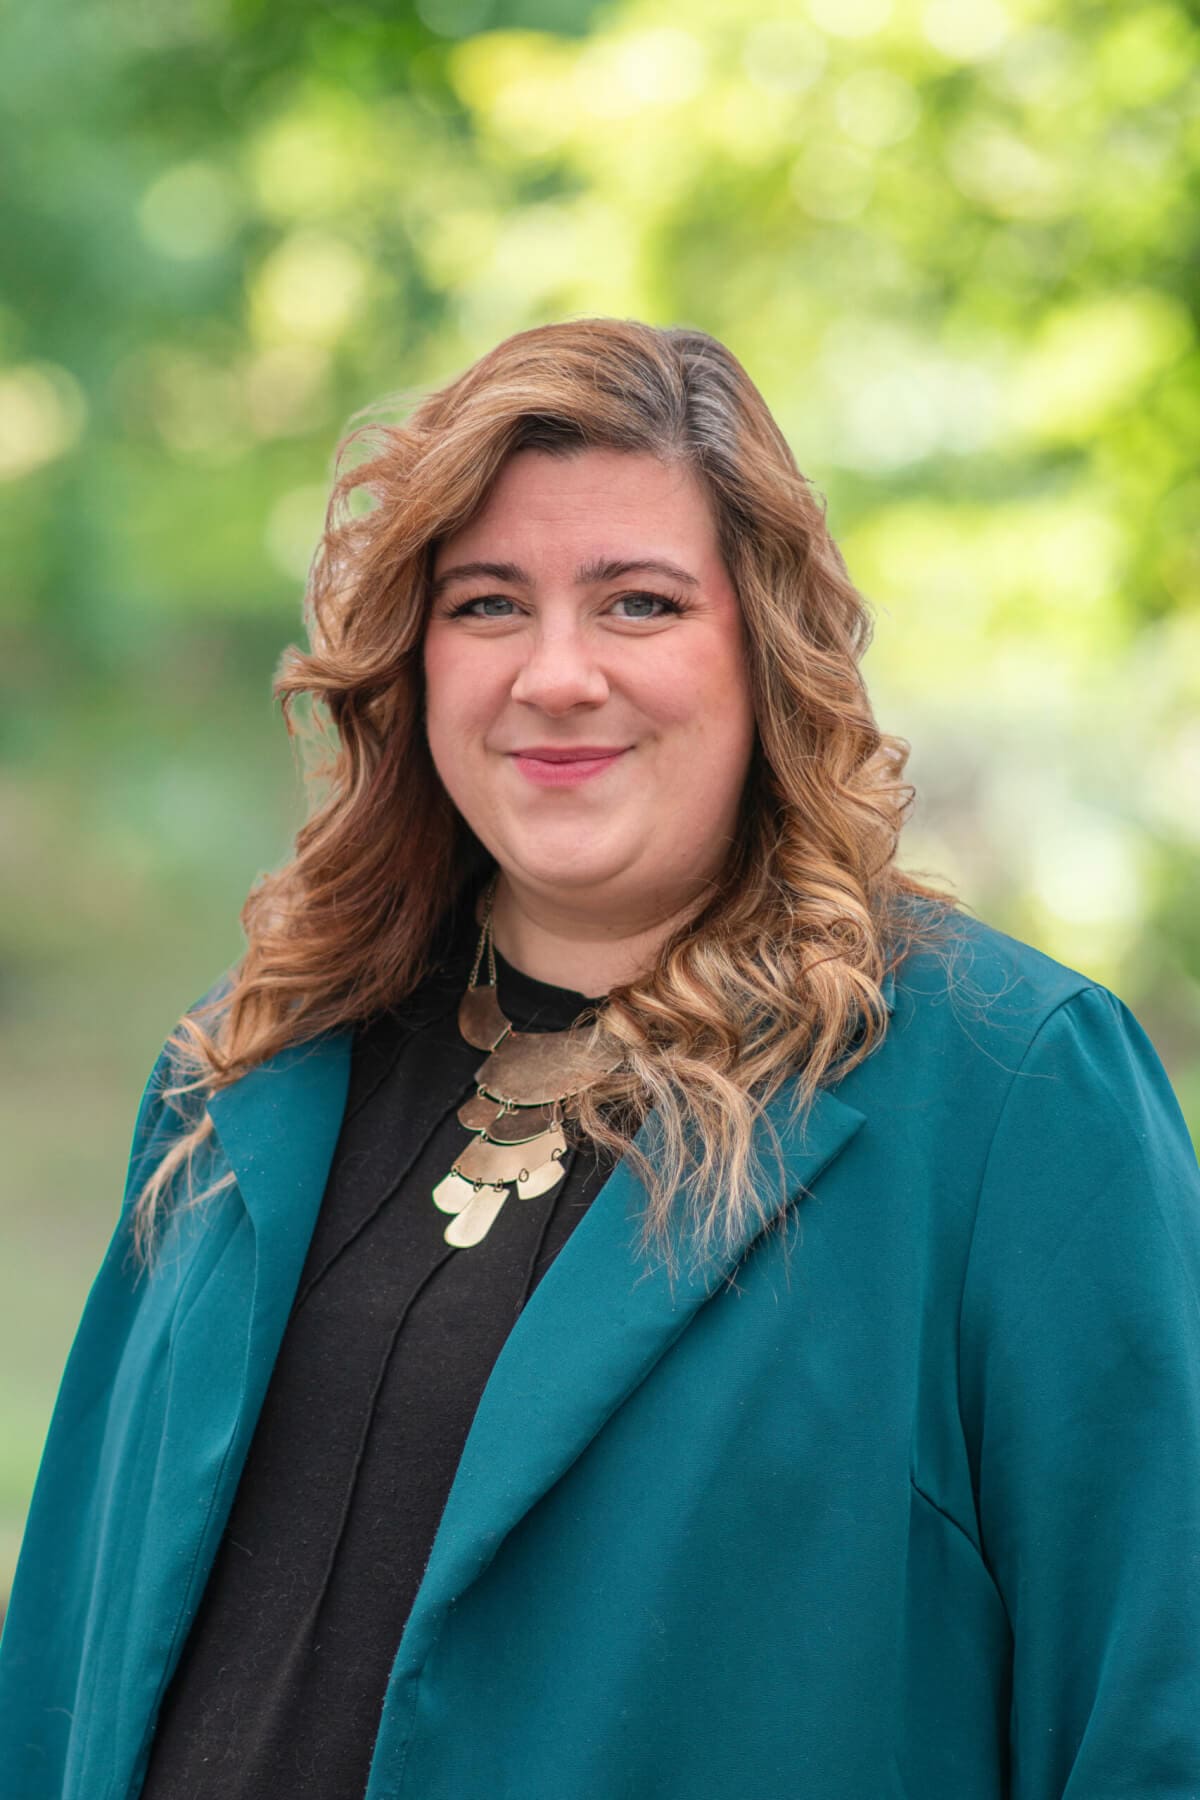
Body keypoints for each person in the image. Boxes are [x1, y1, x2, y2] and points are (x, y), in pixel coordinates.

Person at [1, 317, 1198, 1800]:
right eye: (488, 604)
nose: (556, 676)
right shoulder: (243, 1068)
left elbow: (1157, 1711)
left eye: (637, 604)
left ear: (764, 650)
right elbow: (60, 1657)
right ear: (412, 660)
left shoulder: (1007, 1092)